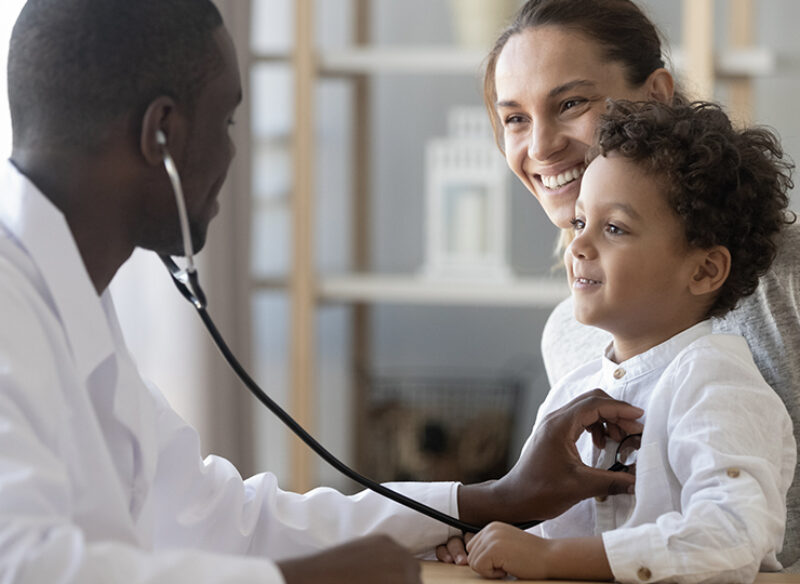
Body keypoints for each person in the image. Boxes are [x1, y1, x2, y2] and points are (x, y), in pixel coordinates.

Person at [0, 1, 647, 583]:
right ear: (162, 136)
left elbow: (220, 516)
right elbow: (27, 565)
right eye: (226, 121)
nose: (234, 154)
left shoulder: (71, 301)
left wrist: (496, 499)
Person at [438, 0, 800, 569]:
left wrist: (551, 555)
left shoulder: (788, 284)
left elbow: (732, 532)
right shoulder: (576, 338)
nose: (539, 147)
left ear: (655, 94)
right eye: (515, 118)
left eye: (571, 102)